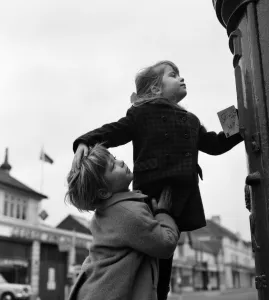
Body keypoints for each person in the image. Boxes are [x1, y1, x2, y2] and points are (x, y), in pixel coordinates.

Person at [71, 60, 244, 300]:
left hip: (182, 200)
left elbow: (214, 144)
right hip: (149, 199)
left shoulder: (192, 120)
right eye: (173, 75)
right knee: (145, 257)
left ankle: (156, 294)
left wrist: (239, 113)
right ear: (155, 89)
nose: (181, 78)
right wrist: (85, 141)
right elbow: (114, 130)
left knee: (162, 265)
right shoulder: (140, 115)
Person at [66, 143, 179, 300]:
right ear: (104, 192)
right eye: (113, 167)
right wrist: (163, 213)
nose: (120, 163)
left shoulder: (105, 212)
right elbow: (166, 244)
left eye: (115, 159)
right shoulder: (129, 213)